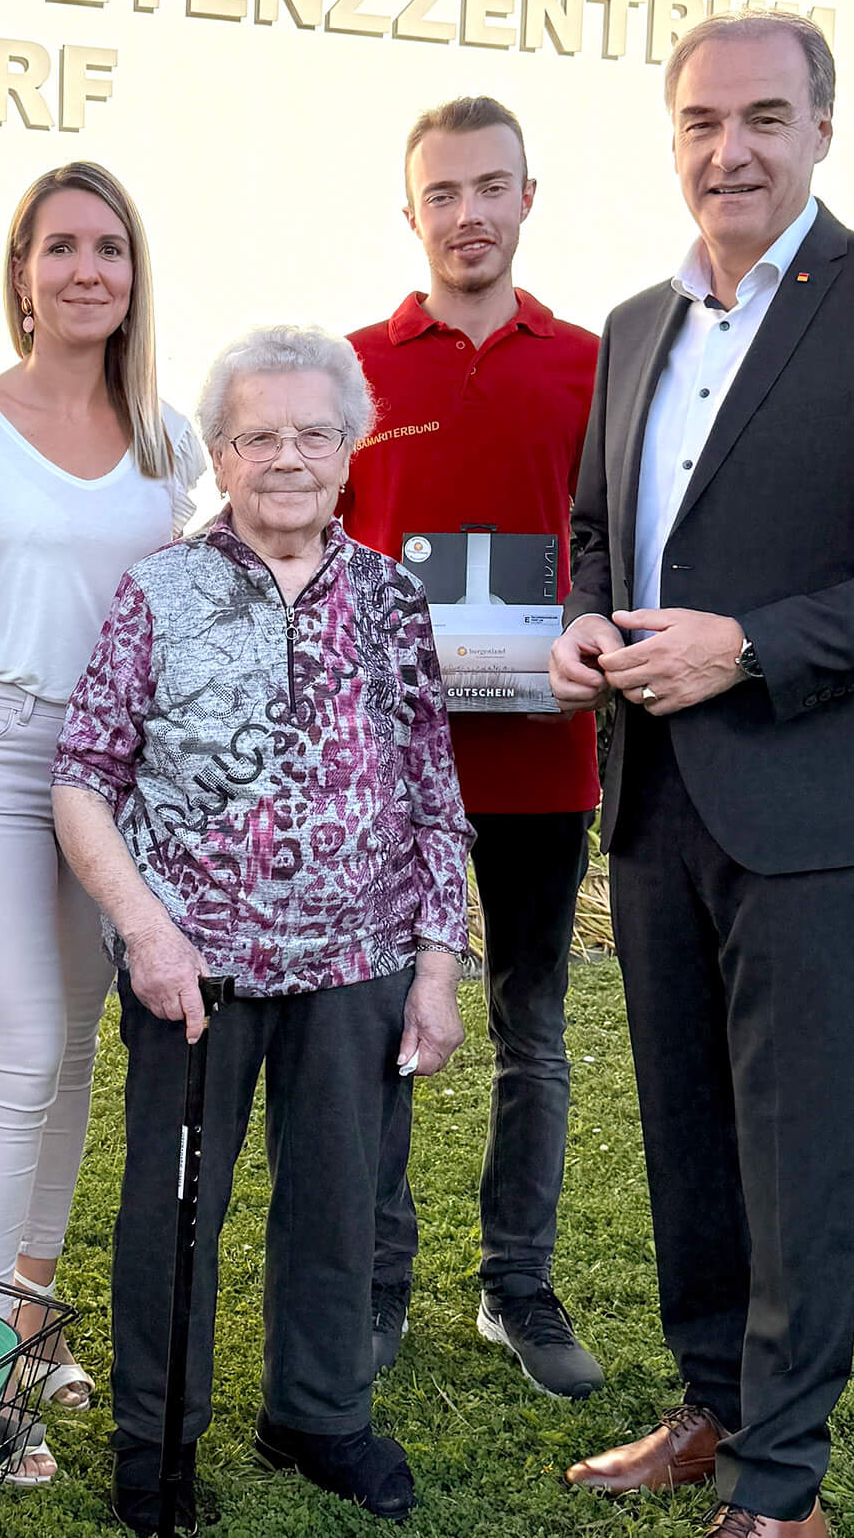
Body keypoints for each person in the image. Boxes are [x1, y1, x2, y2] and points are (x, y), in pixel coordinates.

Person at [548, 11, 854, 1538]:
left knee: (795, 1150)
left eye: (762, 117)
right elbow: (597, 528)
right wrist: (586, 620)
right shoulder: (635, 323)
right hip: (653, 800)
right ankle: (714, 1408)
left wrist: (750, 646)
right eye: (701, 122)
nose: (729, 150)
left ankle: (781, 1488)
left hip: (819, 810)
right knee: (689, 1135)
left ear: (820, 128)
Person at [54, 326, 475, 1531]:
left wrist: (436, 966)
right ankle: (157, 1439)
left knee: (342, 1203)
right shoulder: (160, 590)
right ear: (219, 455)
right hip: (193, 969)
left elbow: (431, 790)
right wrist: (145, 932)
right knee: (172, 1210)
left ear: (348, 450)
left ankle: (318, 1415)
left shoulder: (391, 598)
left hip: (358, 961)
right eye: (256, 436)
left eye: (312, 433)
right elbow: (81, 776)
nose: (285, 457)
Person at [0, 161, 206, 1485]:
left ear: (134, 274)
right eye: (60, 246)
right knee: (18, 1045)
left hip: (114, 774)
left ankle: (27, 1308)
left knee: (72, 1051)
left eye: (108, 248)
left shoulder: (168, 441)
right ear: (20, 271)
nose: (86, 270)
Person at [341, 96, 606, 1397]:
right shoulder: (352, 371)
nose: (466, 214)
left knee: (529, 1030)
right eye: (441, 192)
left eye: (488, 187)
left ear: (525, 197)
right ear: (410, 212)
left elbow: (621, 547)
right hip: (386, 774)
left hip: (542, 766)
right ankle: (376, 1285)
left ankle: (517, 1285)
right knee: (377, 1030)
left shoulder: (595, 365)